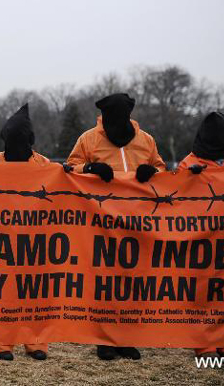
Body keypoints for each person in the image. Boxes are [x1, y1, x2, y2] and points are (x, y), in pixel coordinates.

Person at [65, 92, 165, 361]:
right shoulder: (88, 139)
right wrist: (90, 169)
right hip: (100, 221)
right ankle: (104, 339)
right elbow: (70, 166)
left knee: (133, 281)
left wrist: (152, 172)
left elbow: (161, 169)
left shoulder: (146, 140)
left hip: (137, 221)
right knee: (104, 280)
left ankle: (127, 338)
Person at [176, 111, 224, 359]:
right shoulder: (189, 162)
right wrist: (189, 178)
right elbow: (176, 192)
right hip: (201, 239)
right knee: (202, 293)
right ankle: (205, 345)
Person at [0, 104, 49, 361]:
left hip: (36, 239)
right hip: (1, 239)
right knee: (3, 293)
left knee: (36, 292)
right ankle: (2, 343)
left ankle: (36, 343)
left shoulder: (44, 164)